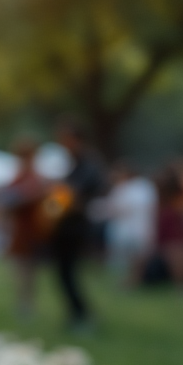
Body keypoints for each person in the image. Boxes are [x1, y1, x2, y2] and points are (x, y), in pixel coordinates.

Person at [50, 122, 108, 329]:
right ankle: (76, 314)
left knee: (68, 272)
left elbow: (75, 196)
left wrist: (59, 198)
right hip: (66, 225)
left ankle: (82, 315)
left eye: (65, 139)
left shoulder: (88, 164)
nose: (62, 144)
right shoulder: (73, 164)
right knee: (63, 273)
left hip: (75, 226)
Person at [0, 138, 47, 319]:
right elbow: (6, 203)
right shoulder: (19, 179)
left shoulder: (36, 179)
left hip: (34, 230)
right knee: (21, 269)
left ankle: (27, 304)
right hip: (21, 230)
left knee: (28, 270)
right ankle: (24, 304)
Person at [103, 161, 157, 287]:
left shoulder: (136, 187)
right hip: (131, 228)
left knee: (136, 256)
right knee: (131, 257)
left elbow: (118, 208)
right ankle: (130, 281)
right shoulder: (135, 187)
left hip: (134, 228)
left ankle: (134, 280)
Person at [155, 166, 183, 288]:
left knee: (178, 258)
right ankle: (182, 283)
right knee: (178, 258)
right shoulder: (168, 198)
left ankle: (182, 283)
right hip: (174, 232)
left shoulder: (176, 198)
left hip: (175, 233)